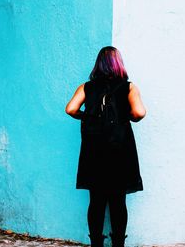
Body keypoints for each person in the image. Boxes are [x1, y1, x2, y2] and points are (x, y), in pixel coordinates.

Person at [65, 46, 146, 247]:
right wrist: (123, 118)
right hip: (120, 148)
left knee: (96, 200)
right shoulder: (128, 87)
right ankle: (118, 243)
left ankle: (96, 244)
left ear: (98, 65)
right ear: (119, 64)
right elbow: (139, 113)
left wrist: (88, 117)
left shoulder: (87, 87)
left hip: (94, 149)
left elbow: (71, 109)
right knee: (118, 200)